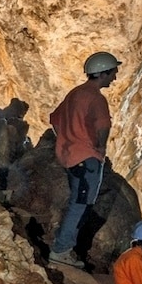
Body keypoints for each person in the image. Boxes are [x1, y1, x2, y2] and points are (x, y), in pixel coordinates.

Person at [47, 51, 120, 269]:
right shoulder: (96, 98)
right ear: (103, 73)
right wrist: (99, 147)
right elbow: (103, 127)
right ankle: (61, 250)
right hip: (87, 157)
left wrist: (68, 138)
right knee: (81, 205)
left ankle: (62, 245)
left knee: (76, 202)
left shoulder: (75, 93)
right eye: (113, 72)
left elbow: (55, 120)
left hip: (69, 156)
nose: (114, 77)